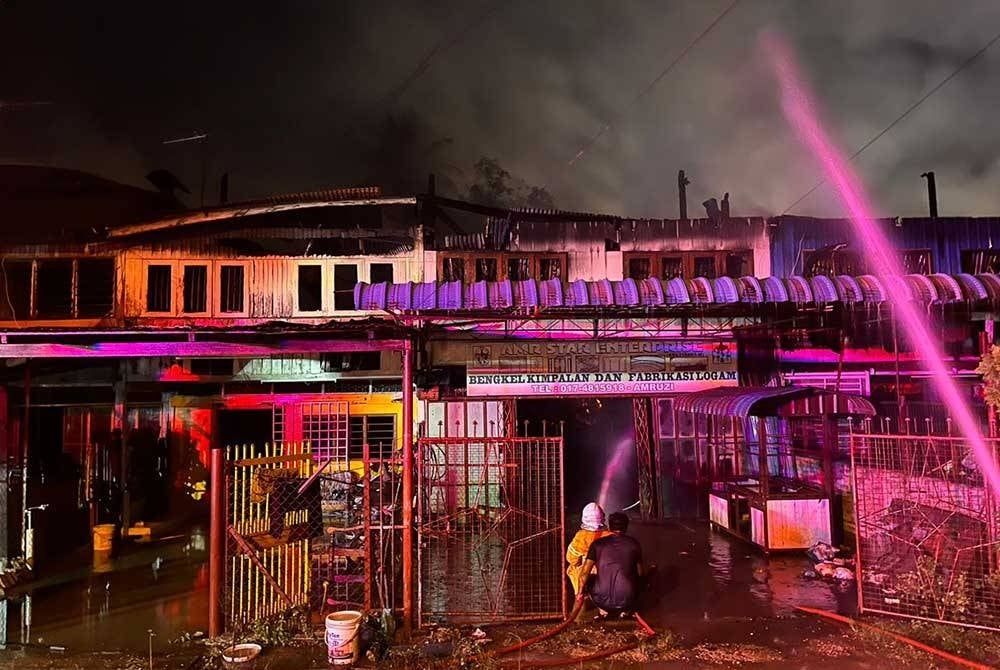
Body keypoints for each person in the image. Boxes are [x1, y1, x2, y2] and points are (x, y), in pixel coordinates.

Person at [580, 511, 644, 619]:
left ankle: (603, 611)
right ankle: (626, 611)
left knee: (588, 578)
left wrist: (580, 593)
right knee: (639, 579)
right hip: (627, 599)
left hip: (601, 600)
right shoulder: (634, 544)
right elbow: (640, 573)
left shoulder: (597, 544)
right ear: (626, 526)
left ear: (609, 526)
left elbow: (584, 573)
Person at [565, 502, 609, 597]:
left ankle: (581, 595)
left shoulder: (581, 537)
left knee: (572, 569)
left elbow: (571, 558)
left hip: (588, 575)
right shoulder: (610, 535)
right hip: (607, 575)